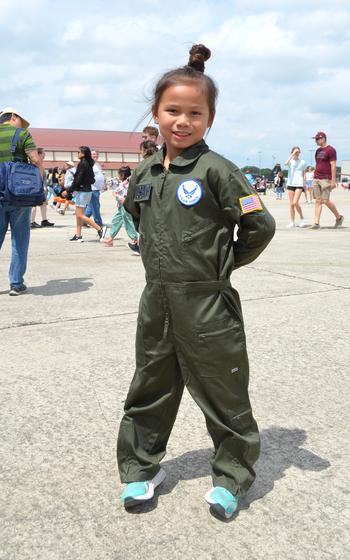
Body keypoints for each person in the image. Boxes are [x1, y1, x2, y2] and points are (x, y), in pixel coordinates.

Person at [116, 44, 275, 520]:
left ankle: (231, 477)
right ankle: (141, 469)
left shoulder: (218, 170)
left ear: (209, 119)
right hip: (157, 301)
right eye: (172, 111)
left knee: (222, 390)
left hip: (207, 302)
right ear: (156, 113)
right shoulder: (145, 168)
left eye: (195, 113)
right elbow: (132, 213)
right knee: (151, 386)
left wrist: (221, 266)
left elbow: (260, 225)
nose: (182, 121)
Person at [0, 107, 44, 295]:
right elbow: (34, 159)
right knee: (19, 238)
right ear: (14, 117)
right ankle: (16, 283)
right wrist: (40, 178)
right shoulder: (22, 133)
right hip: (19, 194)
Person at [308, 132, 344, 229]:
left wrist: (333, 181)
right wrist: (313, 180)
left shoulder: (331, 150)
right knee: (318, 200)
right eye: (315, 139)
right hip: (316, 178)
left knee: (325, 200)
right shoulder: (318, 151)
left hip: (326, 178)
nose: (316, 141)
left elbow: (333, 165)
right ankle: (316, 223)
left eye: (317, 139)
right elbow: (318, 164)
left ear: (323, 138)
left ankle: (338, 217)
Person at [69, 146, 103, 242]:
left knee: (79, 214)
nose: (77, 154)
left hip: (82, 191)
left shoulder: (82, 164)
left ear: (83, 154)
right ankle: (78, 235)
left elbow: (78, 179)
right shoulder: (89, 163)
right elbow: (92, 179)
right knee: (79, 214)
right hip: (87, 190)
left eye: (79, 152)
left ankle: (100, 229)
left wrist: (69, 190)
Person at [101, 166, 139, 251]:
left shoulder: (127, 184)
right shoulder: (124, 182)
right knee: (116, 221)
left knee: (128, 222)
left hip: (125, 206)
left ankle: (135, 240)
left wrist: (116, 195)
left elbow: (121, 194)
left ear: (122, 175)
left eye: (119, 174)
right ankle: (110, 239)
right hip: (121, 207)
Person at [30, 147, 55, 229]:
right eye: (43, 153)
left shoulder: (40, 163)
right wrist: (42, 186)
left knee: (43, 203)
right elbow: (37, 176)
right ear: (39, 154)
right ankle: (31, 221)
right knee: (34, 204)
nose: (45, 155)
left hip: (41, 186)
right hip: (37, 187)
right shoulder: (36, 163)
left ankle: (44, 220)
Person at [284, 146, 307, 228]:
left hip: (299, 184)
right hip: (290, 183)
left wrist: (305, 184)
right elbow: (285, 163)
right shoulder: (290, 161)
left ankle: (302, 219)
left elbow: (304, 173)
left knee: (295, 202)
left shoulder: (303, 162)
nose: (297, 154)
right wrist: (292, 155)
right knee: (291, 204)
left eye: (298, 152)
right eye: (295, 152)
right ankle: (292, 222)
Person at [84, 149, 104, 228]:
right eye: (93, 154)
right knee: (95, 207)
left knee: (90, 207)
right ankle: (99, 224)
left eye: (96, 154)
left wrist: (103, 185)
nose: (95, 156)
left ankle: (83, 220)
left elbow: (100, 176)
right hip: (92, 189)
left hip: (97, 189)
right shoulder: (89, 164)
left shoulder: (97, 165)